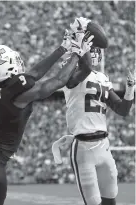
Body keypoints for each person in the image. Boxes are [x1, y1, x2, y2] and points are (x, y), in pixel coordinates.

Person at [0, 29, 94, 205]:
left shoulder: (7, 88)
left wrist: (63, 48)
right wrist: (76, 53)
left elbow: (34, 74)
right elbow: (55, 82)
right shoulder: (13, 93)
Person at [52, 17, 135, 205]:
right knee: (94, 203)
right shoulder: (71, 76)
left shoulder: (103, 78)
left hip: (103, 146)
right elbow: (86, 67)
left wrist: (130, 89)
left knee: (110, 200)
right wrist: (81, 38)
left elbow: (122, 110)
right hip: (82, 147)